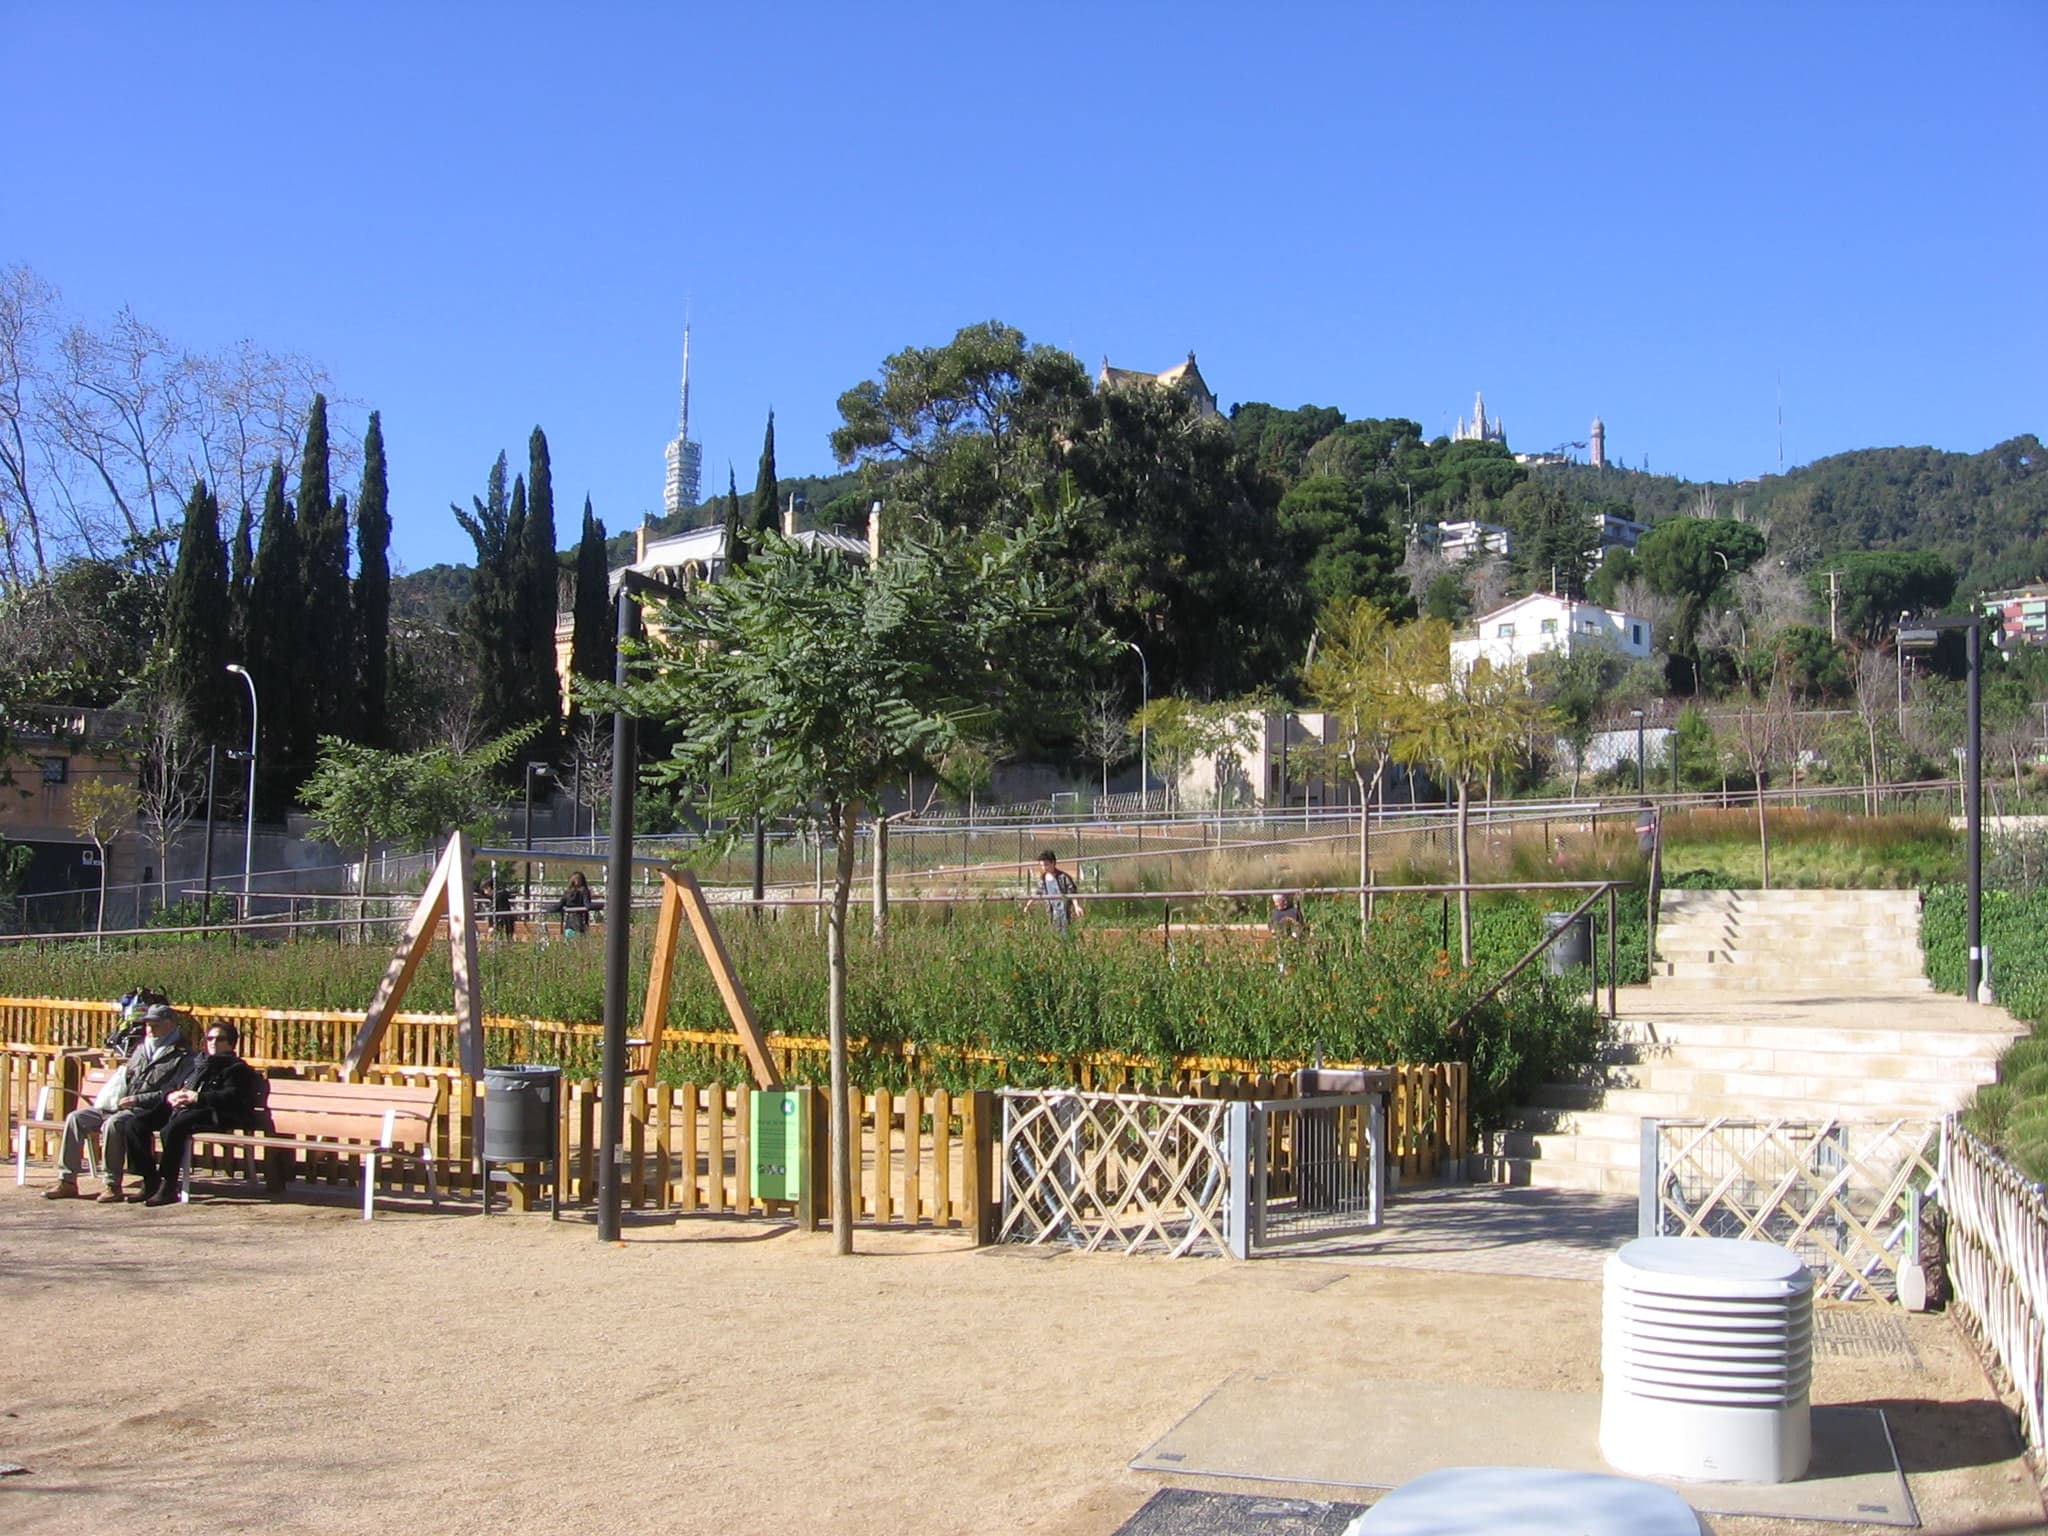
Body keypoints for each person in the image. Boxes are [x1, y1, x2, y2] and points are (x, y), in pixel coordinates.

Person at [42, 1003, 191, 1204]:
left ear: (171, 1025)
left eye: (155, 1024)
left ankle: (112, 1184)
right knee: (76, 1118)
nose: (150, 1028)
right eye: (147, 1024)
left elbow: (173, 1092)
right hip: (118, 1104)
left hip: (146, 1111)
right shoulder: (141, 1049)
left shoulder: (182, 1055)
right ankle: (67, 1181)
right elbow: (127, 1078)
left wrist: (138, 1099)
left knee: (116, 1123)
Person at [128, 1019, 271, 1207]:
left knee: (173, 1128)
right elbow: (174, 1084)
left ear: (230, 1043)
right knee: (136, 1123)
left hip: (215, 1112)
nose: (213, 1042)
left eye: (219, 1039)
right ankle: (149, 1178)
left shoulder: (237, 1068)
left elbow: (232, 1096)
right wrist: (172, 1095)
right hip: (184, 1107)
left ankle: (168, 1185)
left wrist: (198, 1097)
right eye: (209, 1038)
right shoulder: (197, 1062)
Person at [1034, 850, 1080, 935]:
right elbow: (1038, 892)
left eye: (1046, 865)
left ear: (1053, 863)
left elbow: (1072, 892)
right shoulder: (1043, 879)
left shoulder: (1063, 877)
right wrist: (1028, 905)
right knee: (1054, 932)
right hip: (1052, 912)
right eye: (1042, 865)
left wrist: (1076, 906)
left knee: (1066, 933)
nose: (1044, 868)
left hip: (1064, 911)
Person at [552, 870, 596, 937]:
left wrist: (544, 907)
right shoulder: (584, 891)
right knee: (580, 945)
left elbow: (558, 906)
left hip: (569, 925)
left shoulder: (568, 892)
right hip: (580, 924)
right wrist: (604, 905)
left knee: (569, 944)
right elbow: (588, 905)